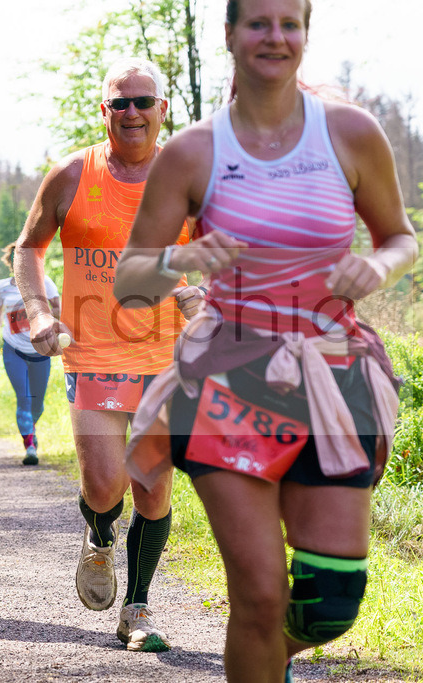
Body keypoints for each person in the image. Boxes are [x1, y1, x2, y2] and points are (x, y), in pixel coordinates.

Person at [113, 1, 418, 680]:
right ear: (229, 35)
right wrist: (186, 261)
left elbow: (401, 237)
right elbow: (131, 282)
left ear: (306, 34)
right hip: (226, 376)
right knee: (258, 594)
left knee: (330, 604)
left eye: (290, 22)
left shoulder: (351, 133)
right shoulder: (193, 150)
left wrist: (379, 264)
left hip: (333, 371)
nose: (274, 36)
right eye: (258, 22)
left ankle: (262, 660)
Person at [15, 58, 203, 652]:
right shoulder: (71, 175)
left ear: (161, 111)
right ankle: (98, 539)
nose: (131, 112)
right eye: (119, 103)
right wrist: (40, 311)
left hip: (165, 356)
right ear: (104, 111)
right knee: (105, 485)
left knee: (152, 488)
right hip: (92, 351)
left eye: (142, 101)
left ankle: (137, 609)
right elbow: (26, 250)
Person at [0, 243, 60, 465]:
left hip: (40, 350)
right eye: (17, 260)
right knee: (23, 398)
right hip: (13, 349)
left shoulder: (45, 282)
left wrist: (55, 326)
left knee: (37, 403)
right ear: (11, 263)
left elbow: (58, 306)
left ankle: (31, 426)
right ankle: (30, 446)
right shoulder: (2, 286)